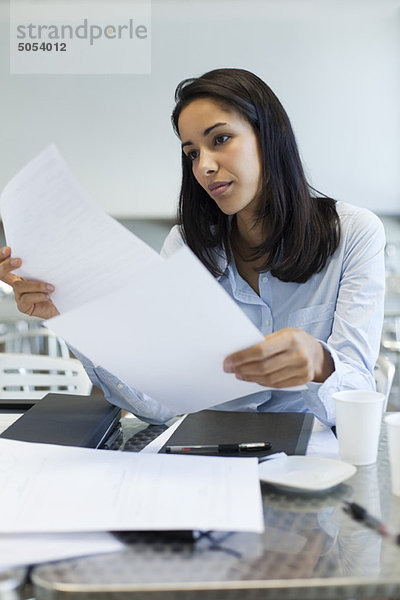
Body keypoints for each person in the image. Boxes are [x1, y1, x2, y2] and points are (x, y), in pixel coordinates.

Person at [0, 68, 385, 425]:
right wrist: (72, 315)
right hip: (208, 455)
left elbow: (356, 397)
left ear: (268, 136)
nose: (204, 166)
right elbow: (156, 404)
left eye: (220, 139)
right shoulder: (186, 246)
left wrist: (320, 363)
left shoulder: (353, 234)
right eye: (192, 153)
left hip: (315, 458)